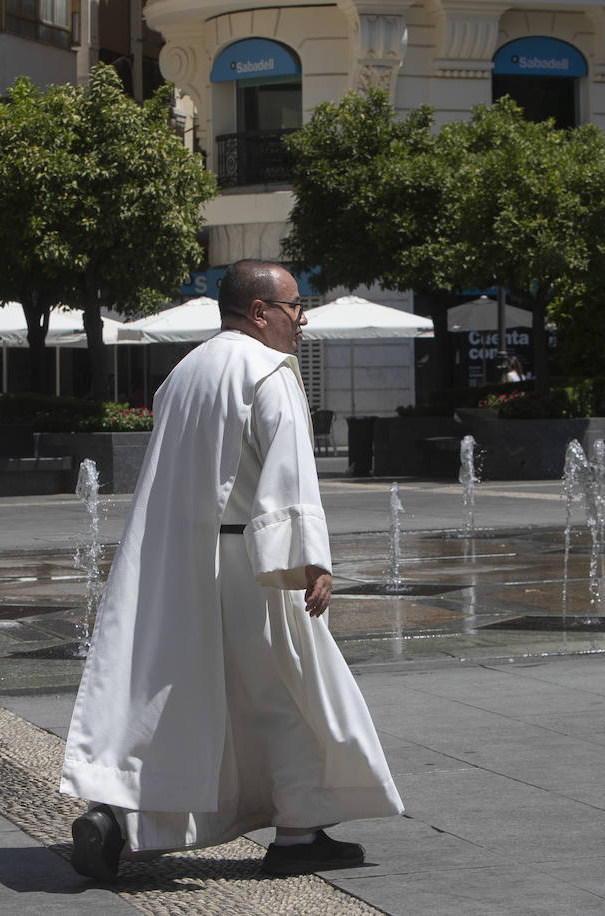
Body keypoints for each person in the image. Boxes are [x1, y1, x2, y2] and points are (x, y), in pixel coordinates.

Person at [60, 259, 403, 882]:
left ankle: (123, 822)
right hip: (249, 561)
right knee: (289, 693)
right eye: (296, 306)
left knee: (188, 699)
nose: (303, 319)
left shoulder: (186, 371)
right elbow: (289, 474)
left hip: (181, 562)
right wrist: (309, 562)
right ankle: (298, 834)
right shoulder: (268, 371)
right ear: (260, 312)